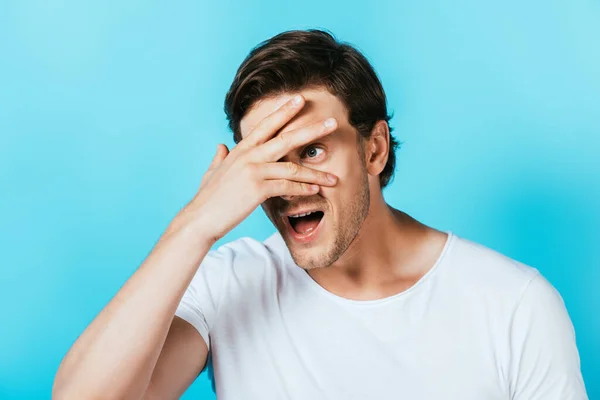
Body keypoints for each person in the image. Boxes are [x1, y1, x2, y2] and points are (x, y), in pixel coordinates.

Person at [53, 29, 588, 400]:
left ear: (374, 150)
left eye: (311, 150)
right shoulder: (230, 282)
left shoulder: (515, 305)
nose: (287, 184)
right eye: (266, 158)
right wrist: (197, 223)